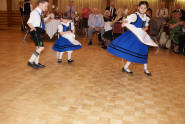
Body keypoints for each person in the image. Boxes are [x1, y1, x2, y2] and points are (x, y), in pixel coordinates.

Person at [107, 1, 152, 76]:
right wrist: (124, 22)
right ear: (138, 8)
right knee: (132, 53)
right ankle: (126, 67)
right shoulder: (135, 16)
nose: (143, 9)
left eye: (145, 8)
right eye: (141, 8)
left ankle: (145, 69)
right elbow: (127, 20)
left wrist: (145, 29)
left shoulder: (146, 18)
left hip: (142, 37)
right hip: (134, 37)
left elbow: (146, 26)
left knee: (144, 51)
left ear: (146, 9)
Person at [27, 0, 51, 69]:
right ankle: (31, 61)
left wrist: (48, 16)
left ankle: (36, 62)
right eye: (45, 6)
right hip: (36, 31)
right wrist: (32, 27)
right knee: (41, 47)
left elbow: (42, 21)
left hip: (39, 31)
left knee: (38, 47)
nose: (46, 8)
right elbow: (29, 22)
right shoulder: (34, 12)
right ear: (40, 4)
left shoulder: (40, 13)